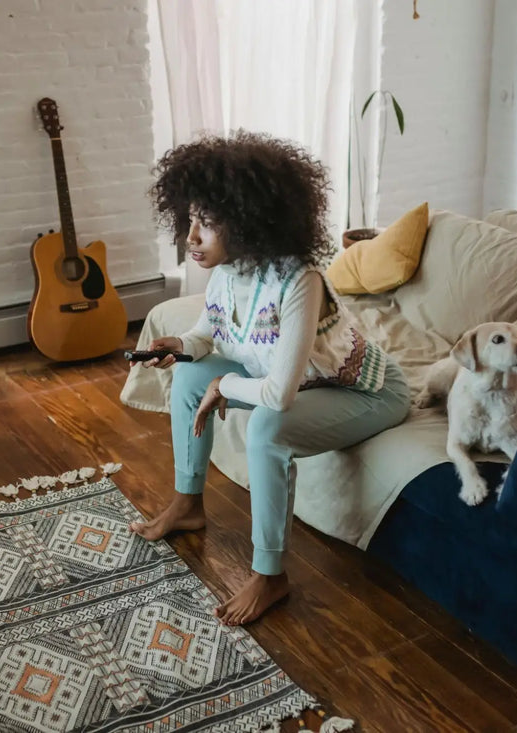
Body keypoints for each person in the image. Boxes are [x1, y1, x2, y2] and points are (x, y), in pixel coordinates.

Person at [129, 131, 411, 625]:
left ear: (249, 221)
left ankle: (269, 573)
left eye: (208, 224)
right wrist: (182, 347)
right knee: (193, 377)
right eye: (190, 219)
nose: (191, 237)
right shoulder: (226, 272)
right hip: (298, 383)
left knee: (266, 427)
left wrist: (224, 386)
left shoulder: (300, 279)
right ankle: (187, 502)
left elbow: (277, 397)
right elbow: (207, 332)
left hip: (364, 392)